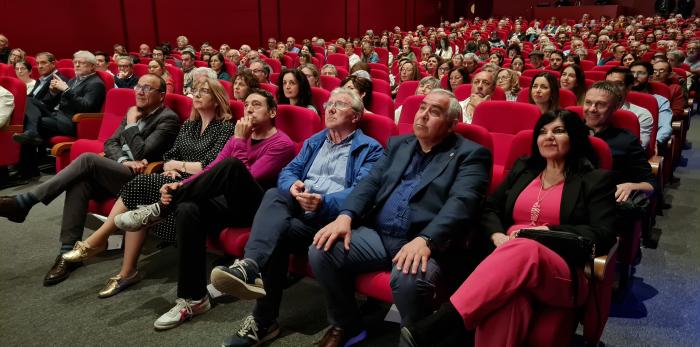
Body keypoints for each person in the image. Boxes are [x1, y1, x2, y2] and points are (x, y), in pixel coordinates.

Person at [401, 109, 617, 347]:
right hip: (505, 261)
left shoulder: (595, 180)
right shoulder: (524, 169)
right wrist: (496, 235)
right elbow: (490, 208)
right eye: (543, 132)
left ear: (574, 136)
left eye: (559, 131)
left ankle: (444, 322)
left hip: (561, 272)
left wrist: (548, 233)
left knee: (526, 247)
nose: (549, 137)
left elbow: (604, 234)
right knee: (508, 304)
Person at [309, 88, 491, 347]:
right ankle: (346, 325)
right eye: (422, 108)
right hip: (380, 235)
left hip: (423, 242)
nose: (424, 115)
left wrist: (427, 239)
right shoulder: (399, 145)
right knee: (322, 248)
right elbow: (369, 184)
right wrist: (345, 216)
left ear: (452, 124)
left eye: (435, 112)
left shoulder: (471, 155)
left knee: (408, 278)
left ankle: (415, 340)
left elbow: (462, 204)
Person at [207, 88, 384, 347]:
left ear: (356, 116)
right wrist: (293, 186)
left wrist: (323, 202)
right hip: (301, 212)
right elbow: (289, 171)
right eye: (329, 103)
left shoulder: (370, 149)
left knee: (275, 229)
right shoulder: (315, 141)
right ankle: (250, 270)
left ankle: (262, 316)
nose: (331, 108)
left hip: (334, 220)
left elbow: (362, 192)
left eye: (340, 105)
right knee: (275, 198)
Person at [60, 77, 236, 295]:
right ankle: (127, 271)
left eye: (204, 92)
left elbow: (210, 167)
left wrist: (177, 165)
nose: (197, 95)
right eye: (195, 91)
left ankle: (99, 239)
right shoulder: (190, 126)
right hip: (176, 182)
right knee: (141, 200)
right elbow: (169, 157)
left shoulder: (226, 129)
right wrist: (169, 168)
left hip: (203, 190)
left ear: (217, 100)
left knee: (142, 183)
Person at [0, 74, 179, 286]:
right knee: (79, 182)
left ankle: (25, 201)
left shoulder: (167, 118)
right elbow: (110, 142)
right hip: (121, 168)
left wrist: (131, 124)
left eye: (148, 88)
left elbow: (142, 151)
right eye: (139, 86)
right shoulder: (135, 111)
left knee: (86, 159)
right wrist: (122, 159)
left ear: (161, 95)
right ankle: (67, 252)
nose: (140, 91)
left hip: (141, 178)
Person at [13, 50, 106, 145]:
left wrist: (66, 90)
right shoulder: (74, 79)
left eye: (81, 63)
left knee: (33, 121)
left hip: (71, 122)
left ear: (92, 66)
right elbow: (53, 103)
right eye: (75, 62)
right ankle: (33, 136)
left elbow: (86, 107)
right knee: (28, 100)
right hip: (57, 115)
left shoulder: (96, 84)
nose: (77, 65)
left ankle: (33, 142)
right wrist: (53, 93)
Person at [584, 81, 656, 201]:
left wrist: (631, 186)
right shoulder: (569, 131)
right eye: (588, 102)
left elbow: (652, 184)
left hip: (605, 201)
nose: (592, 109)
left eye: (600, 104)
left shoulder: (626, 141)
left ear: (616, 107)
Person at [629, 61, 673, 155]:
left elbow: (665, 127)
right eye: (632, 73)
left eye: (641, 73)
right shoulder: (619, 98)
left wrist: (655, 142)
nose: (635, 76)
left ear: (650, 77)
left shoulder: (660, 100)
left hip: (646, 146)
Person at [605, 67, 654, 149]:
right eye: (608, 83)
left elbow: (638, 148)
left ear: (628, 87)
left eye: (618, 84)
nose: (611, 88)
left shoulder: (641, 115)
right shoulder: (594, 110)